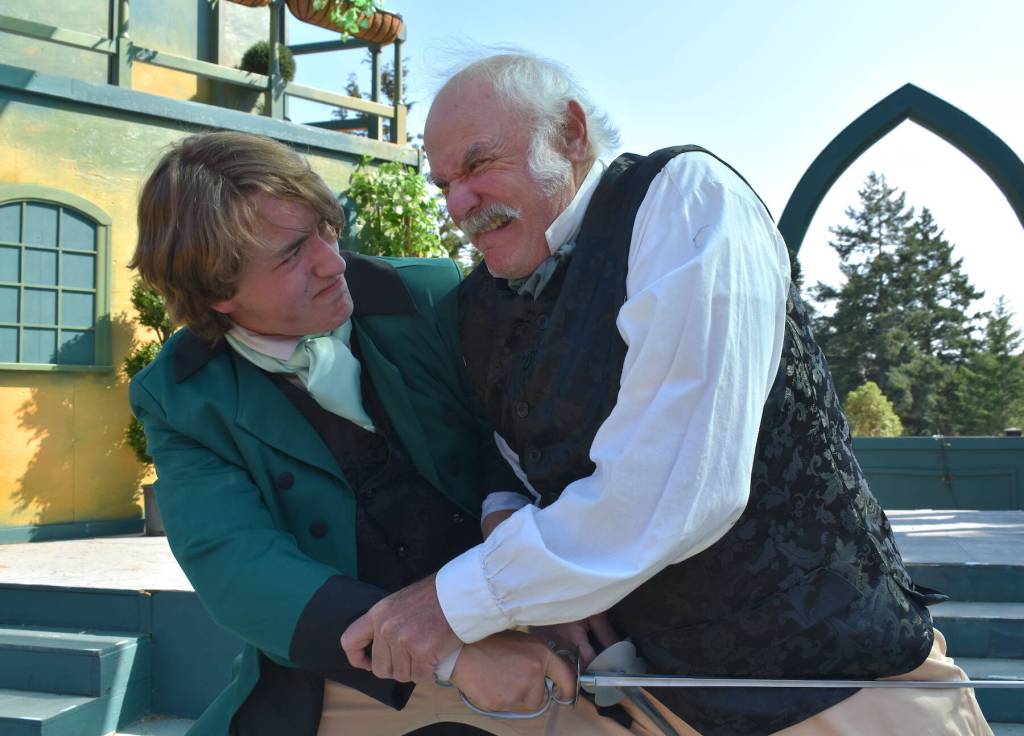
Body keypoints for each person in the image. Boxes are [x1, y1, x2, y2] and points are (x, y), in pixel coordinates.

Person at [341, 54, 993, 736]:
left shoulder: (684, 201)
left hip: (845, 697)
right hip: (653, 704)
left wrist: (452, 604)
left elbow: (675, 489)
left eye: (478, 166)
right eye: (444, 182)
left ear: (569, 134)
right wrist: (511, 528)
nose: (457, 205)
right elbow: (507, 452)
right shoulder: (478, 302)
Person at [128, 130, 637, 736]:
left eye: (326, 228)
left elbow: (527, 432)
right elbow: (240, 570)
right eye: (292, 255)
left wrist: (525, 562)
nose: (331, 261)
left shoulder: (430, 296)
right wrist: (453, 655)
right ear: (217, 294)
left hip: (535, 628)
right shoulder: (181, 396)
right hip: (344, 670)